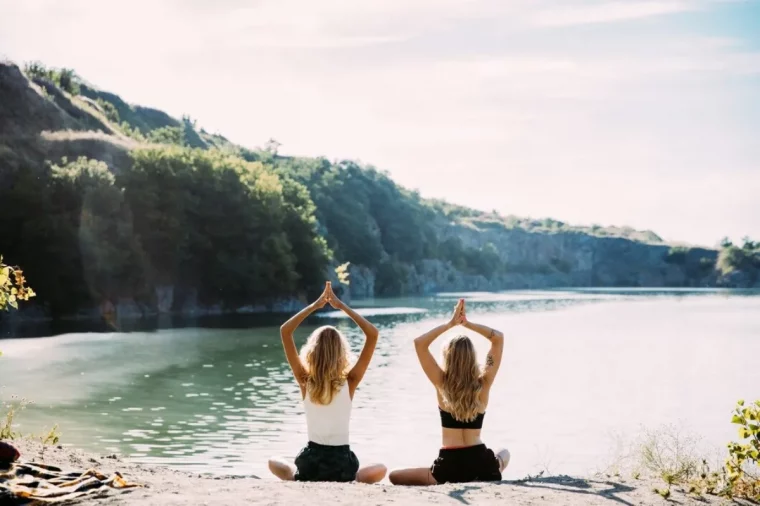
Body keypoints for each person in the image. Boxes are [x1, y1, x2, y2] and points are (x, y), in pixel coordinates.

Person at [268, 282, 387, 483]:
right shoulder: (350, 381)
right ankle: (354, 479)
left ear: (312, 352)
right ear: (341, 353)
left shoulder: (304, 381)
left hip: (311, 464)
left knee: (273, 461)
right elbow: (372, 334)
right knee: (381, 469)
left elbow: (285, 331)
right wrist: (343, 307)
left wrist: (315, 306)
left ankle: (296, 477)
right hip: (342, 465)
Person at [389, 298, 509, 485]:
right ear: (472, 357)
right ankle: (495, 467)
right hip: (482, 464)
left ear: (447, 357)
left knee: (394, 476)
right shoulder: (484, 383)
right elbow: (498, 338)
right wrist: (467, 324)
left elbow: (419, 343)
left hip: (449, 467)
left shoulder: (441, 383)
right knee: (504, 454)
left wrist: (451, 324)